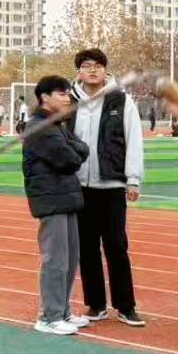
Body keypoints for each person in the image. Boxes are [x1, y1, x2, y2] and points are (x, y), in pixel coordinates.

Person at [71, 48, 147, 327]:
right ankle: (96, 304)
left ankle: (126, 306)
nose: (92, 70)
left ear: (105, 70)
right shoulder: (70, 102)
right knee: (87, 248)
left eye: (98, 65)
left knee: (116, 246)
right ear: (79, 71)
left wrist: (133, 178)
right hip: (80, 186)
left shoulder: (121, 100)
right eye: (86, 65)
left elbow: (134, 139)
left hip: (112, 185)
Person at [22, 76, 90, 336]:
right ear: (44, 97)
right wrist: (74, 151)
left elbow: (80, 148)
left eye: (67, 94)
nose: (66, 98)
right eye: (61, 93)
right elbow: (69, 159)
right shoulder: (40, 127)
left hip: (66, 197)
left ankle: (62, 311)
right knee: (56, 260)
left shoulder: (56, 125)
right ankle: (49, 317)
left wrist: (74, 150)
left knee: (70, 259)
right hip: (51, 199)